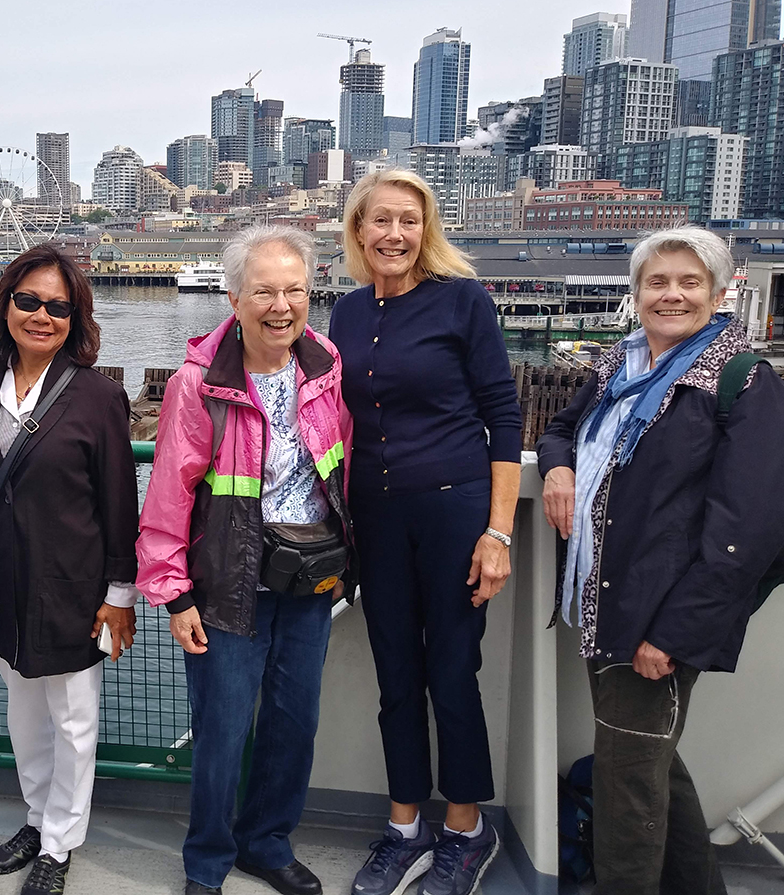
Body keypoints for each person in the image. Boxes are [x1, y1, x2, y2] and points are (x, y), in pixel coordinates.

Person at [537, 227, 784, 895]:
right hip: (603, 599)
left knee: (628, 786)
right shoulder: (620, 365)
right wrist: (557, 474)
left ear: (716, 291)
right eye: (656, 282)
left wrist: (672, 634)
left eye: (687, 282)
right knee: (647, 758)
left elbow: (748, 529)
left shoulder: (740, 380)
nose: (670, 294)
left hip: (654, 616)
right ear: (636, 292)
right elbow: (559, 431)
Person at [137, 224, 353, 895]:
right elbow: (169, 493)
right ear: (233, 298)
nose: (281, 305)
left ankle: (267, 842)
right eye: (264, 291)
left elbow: (342, 467)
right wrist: (173, 593)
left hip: (309, 579)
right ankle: (206, 859)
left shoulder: (325, 363)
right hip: (228, 585)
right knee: (222, 732)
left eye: (294, 290)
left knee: (294, 723)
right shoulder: (197, 384)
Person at [0, 244, 139, 895]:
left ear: (76, 318)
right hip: (1, 582)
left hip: (75, 586)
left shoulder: (99, 397)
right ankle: (37, 817)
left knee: (73, 718)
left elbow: (120, 503)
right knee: (23, 712)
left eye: (58, 306)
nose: (41, 314)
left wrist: (119, 594)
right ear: (6, 302)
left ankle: (60, 842)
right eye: (29, 300)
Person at [330, 170, 522, 895]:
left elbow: (503, 416)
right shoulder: (344, 312)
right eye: (379, 220)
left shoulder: (460, 300)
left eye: (408, 220)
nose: (394, 234)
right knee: (394, 677)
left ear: (426, 228)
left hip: (452, 509)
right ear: (357, 230)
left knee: (449, 671)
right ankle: (404, 826)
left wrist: (496, 533)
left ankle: (466, 829)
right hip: (374, 518)